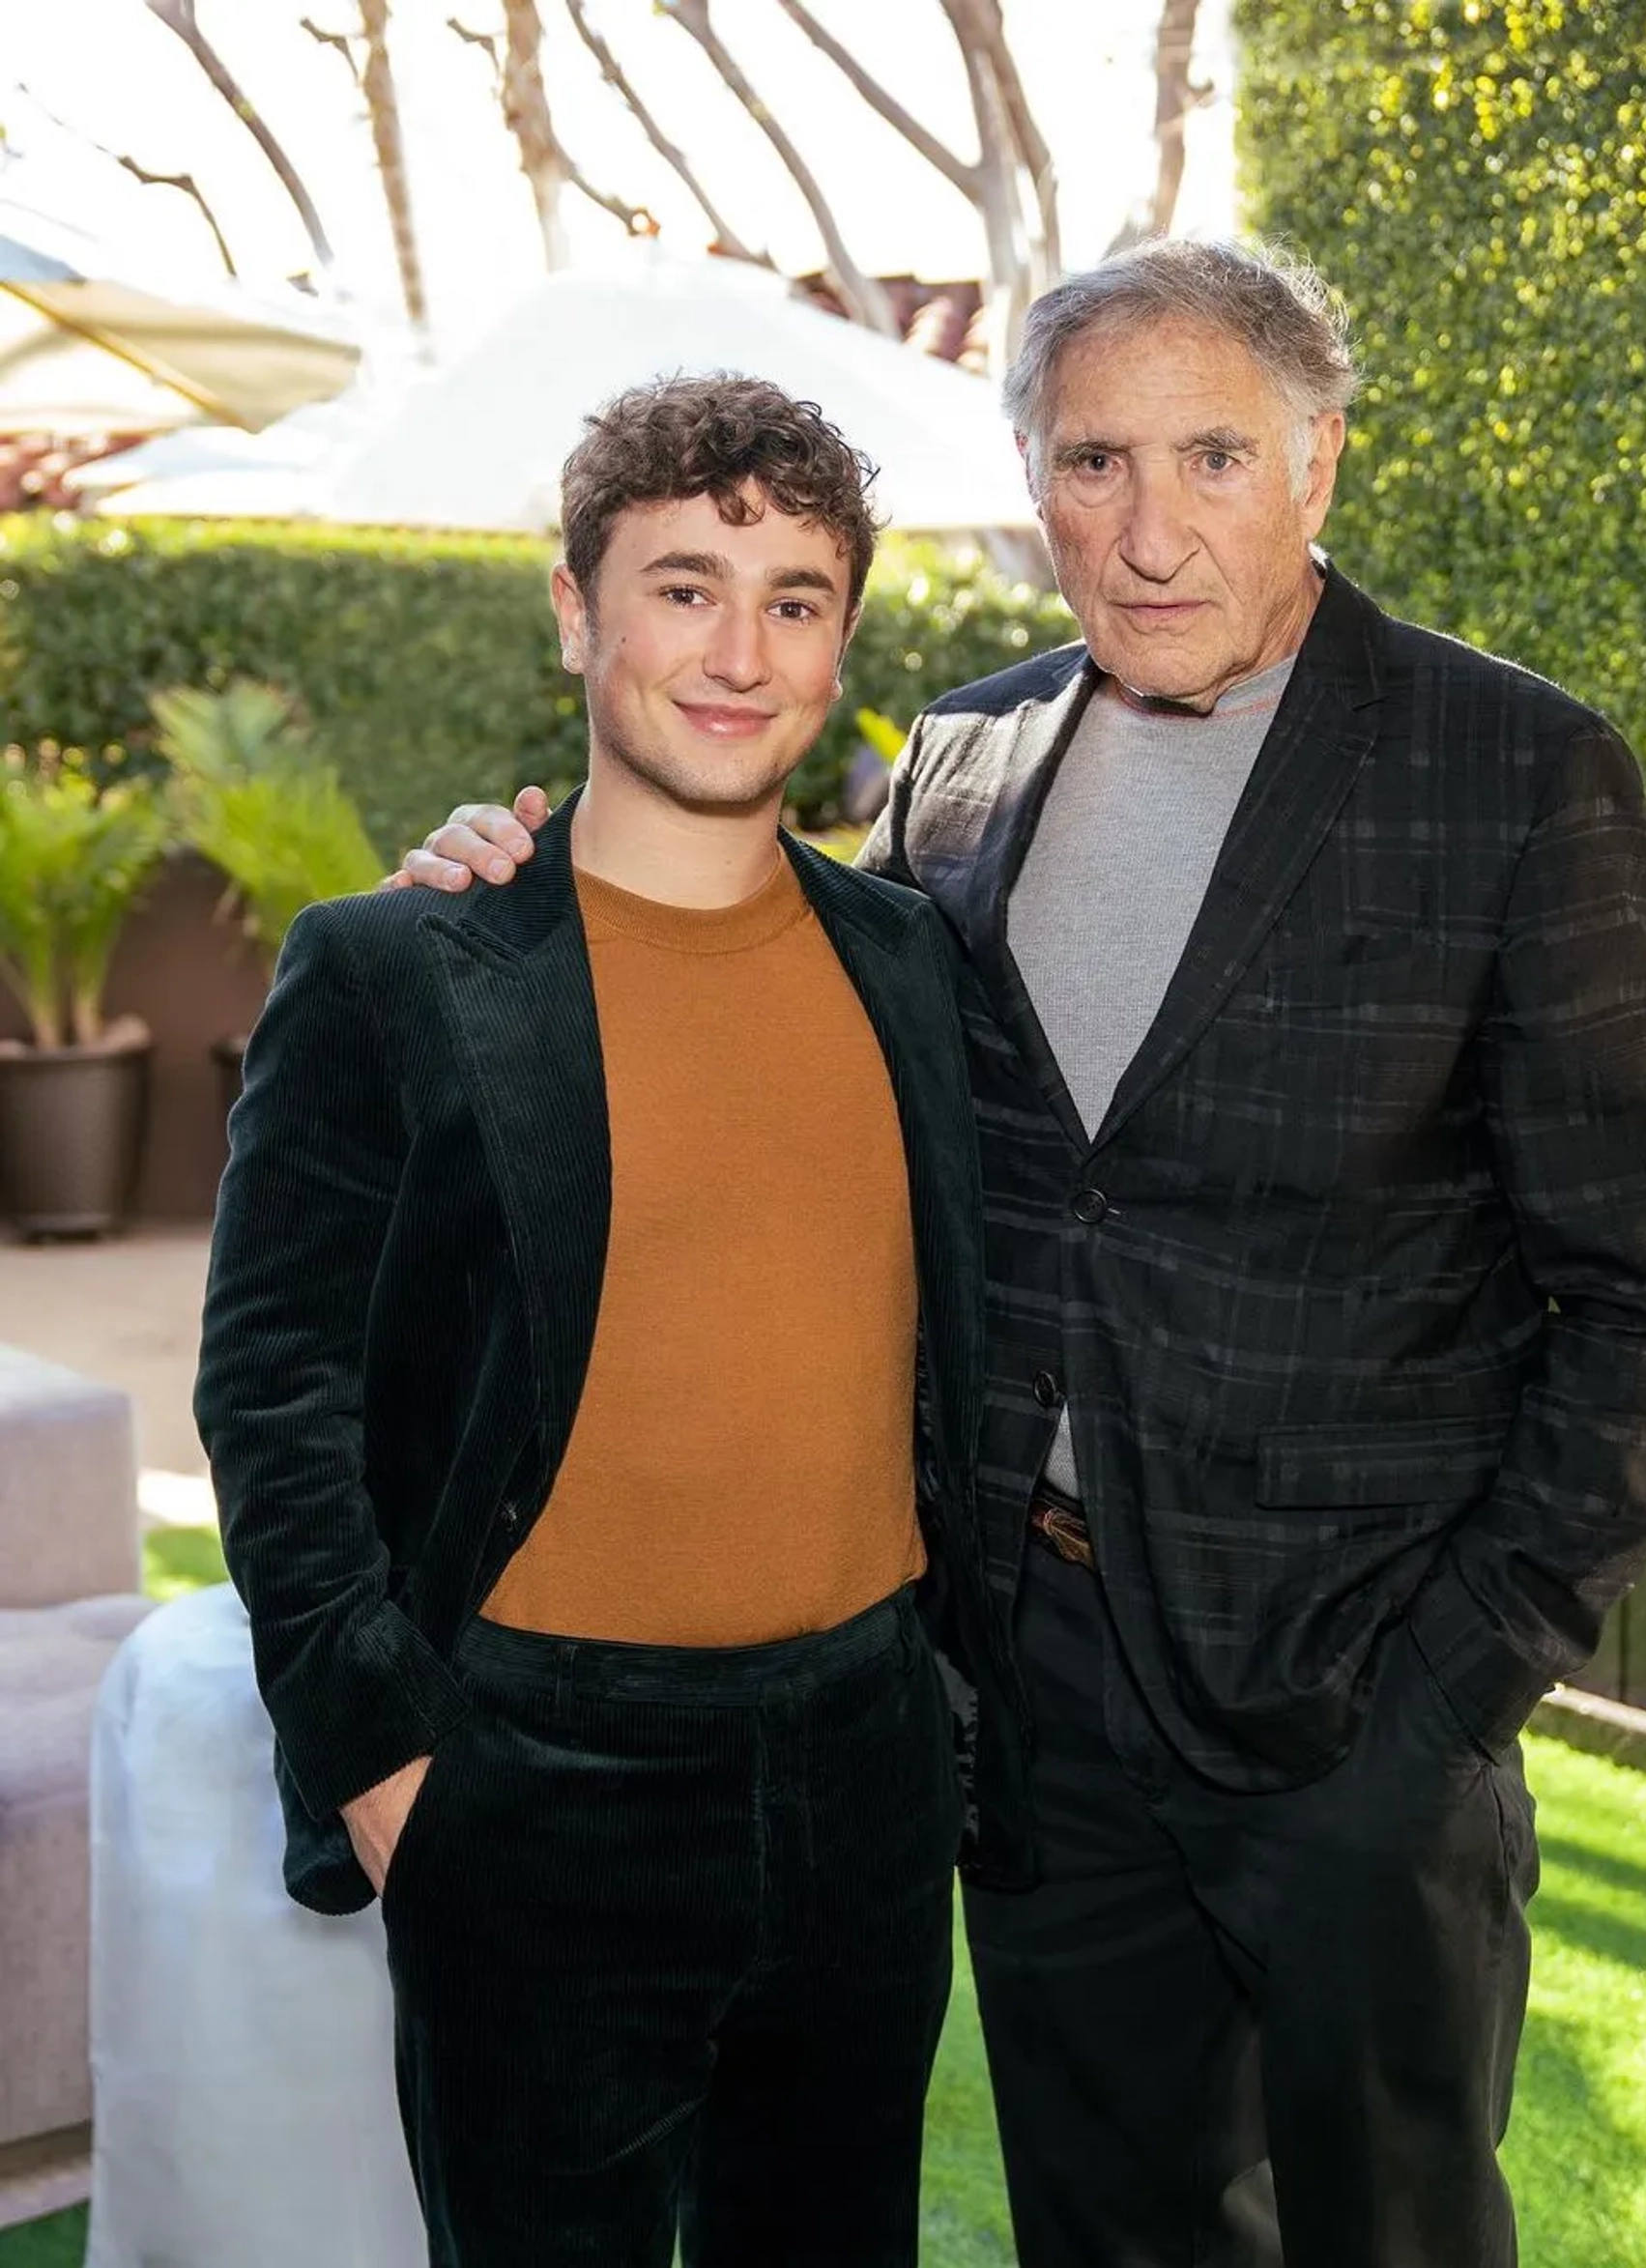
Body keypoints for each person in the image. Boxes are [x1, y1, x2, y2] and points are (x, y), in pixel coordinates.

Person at [395, 240, 1646, 2268]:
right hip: (1034, 1699)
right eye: (1094, 460)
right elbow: (765, 994)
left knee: (1398, 2236)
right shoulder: (969, 761)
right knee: (1109, 2232)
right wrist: (508, 884)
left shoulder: (1511, 774)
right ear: (1037, 482)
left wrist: (1446, 1701)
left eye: (1213, 454)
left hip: (1354, 1704)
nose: (1148, 524)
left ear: (1320, 469)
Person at [193, 373, 1022, 2268]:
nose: (739, 653)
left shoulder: (912, 963)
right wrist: (387, 1761)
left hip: (866, 1772)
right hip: (530, 1779)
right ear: (574, 611)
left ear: (842, 641)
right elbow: (274, 1392)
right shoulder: (392, 968)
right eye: (682, 586)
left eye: (795, 598)